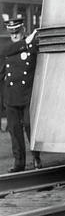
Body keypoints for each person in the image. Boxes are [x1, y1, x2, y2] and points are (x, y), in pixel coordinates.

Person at [1, 16, 40, 171]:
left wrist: (30, 42)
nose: (15, 35)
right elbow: (5, 51)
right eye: (12, 33)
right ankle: (19, 163)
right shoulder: (8, 49)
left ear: (23, 30)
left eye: (17, 32)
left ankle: (36, 157)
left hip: (27, 96)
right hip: (10, 97)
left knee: (30, 127)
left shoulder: (32, 47)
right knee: (14, 130)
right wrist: (26, 41)